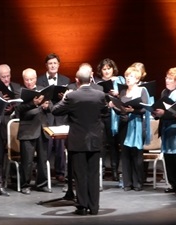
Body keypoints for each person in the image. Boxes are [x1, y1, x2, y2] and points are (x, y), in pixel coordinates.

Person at [52, 64, 106, 215]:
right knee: (94, 175)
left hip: (78, 141)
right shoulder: (100, 95)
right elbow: (105, 111)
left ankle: (82, 206)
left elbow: (55, 111)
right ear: (90, 78)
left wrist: (64, 98)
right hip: (95, 139)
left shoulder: (72, 96)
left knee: (80, 175)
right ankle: (94, 208)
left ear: (77, 80)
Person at [109, 66, 151, 191]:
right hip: (124, 125)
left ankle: (138, 182)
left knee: (136, 155)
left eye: (131, 76)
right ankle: (127, 183)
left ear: (137, 79)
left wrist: (133, 110)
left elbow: (145, 109)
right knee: (125, 154)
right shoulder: (123, 92)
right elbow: (121, 110)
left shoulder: (142, 90)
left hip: (137, 125)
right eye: (127, 76)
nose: (128, 78)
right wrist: (114, 106)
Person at [15, 68, 52, 194]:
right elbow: (18, 111)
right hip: (28, 130)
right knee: (27, 161)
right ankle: (25, 185)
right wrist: (33, 103)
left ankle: (42, 184)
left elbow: (51, 107)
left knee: (43, 159)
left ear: (36, 78)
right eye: (27, 79)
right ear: (23, 80)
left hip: (43, 129)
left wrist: (48, 106)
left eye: (31, 79)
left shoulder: (42, 89)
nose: (29, 82)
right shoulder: (19, 92)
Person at [37, 53, 70, 182]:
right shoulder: (40, 81)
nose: (53, 65)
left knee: (60, 146)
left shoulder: (65, 80)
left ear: (59, 65)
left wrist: (63, 98)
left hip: (60, 115)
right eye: (50, 63)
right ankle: (45, 173)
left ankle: (60, 172)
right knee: (46, 145)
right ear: (46, 65)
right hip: (46, 115)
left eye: (55, 63)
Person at [95, 58, 124, 181]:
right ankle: (100, 171)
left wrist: (117, 94)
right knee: (101, 145)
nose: (106, 71)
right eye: (104, 69)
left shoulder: (120, 80)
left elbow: (126, 98)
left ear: (113, 69)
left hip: (114, 117)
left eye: (109, 69)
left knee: (113, 144)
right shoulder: (97, 84)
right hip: (101, 116)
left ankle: (114, 171)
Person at [152, 67, 176, 194]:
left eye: (170, 79)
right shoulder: (164, 92)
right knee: (168, 158)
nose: (167, 81)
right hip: (166, 129)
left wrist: (166, 113)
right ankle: (173, 184)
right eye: (166, 78)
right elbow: (161, 108)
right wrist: (156, 113)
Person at [0, 64, 21, 147]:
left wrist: (13, 107)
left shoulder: (17, 86)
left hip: (15, 118)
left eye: (8, 76)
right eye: (3, 77)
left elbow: (21, 101)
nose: (6, 79)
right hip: (1, 121)